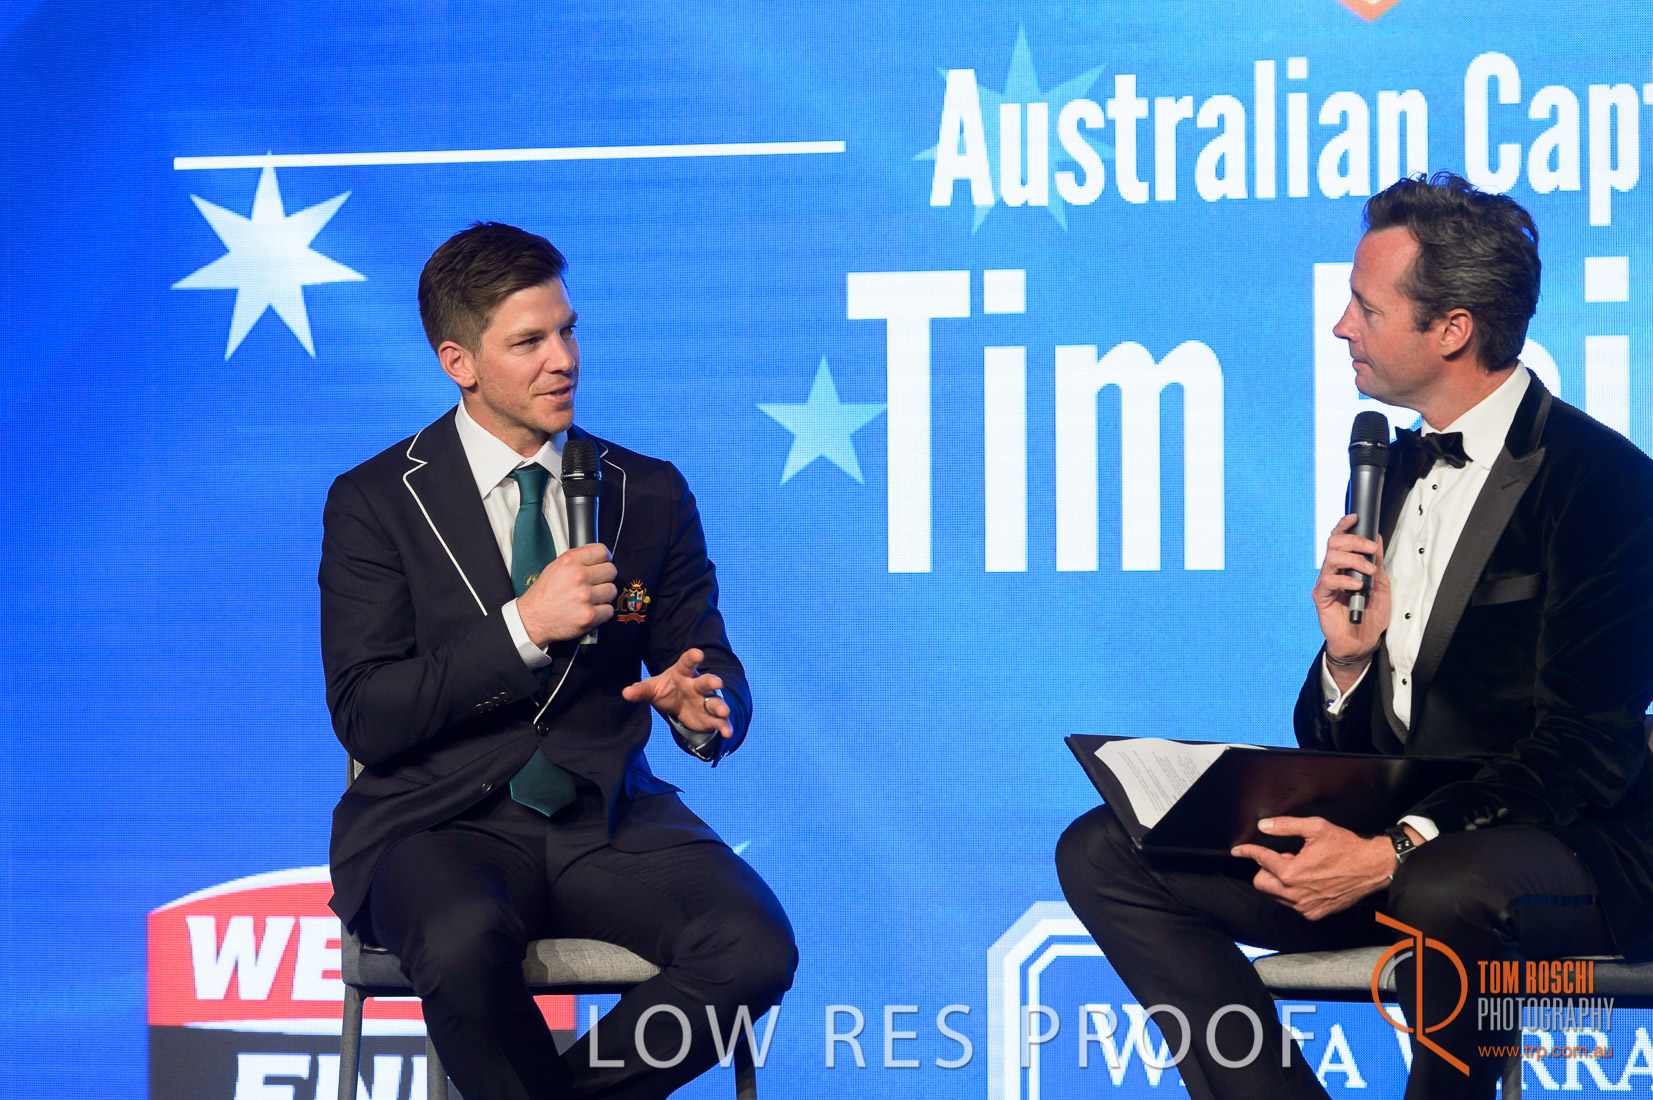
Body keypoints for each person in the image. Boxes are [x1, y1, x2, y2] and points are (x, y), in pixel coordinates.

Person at [1055, 172, 1653, 1099]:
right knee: (1104, 849)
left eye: (1365, 308)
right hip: (1400, 846)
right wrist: (1347, 660)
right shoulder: (1387, 467)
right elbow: (1347, 745)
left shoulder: (1604, 484)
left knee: (1442, 886)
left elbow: (1582, 754)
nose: (1340, 327)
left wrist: (1393, 850)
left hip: (1560, 850)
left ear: (1451, 329)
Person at [319, 222, 796, 1100]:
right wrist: (522, 628)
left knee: (753, 947)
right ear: (459, 362)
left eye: (568, 331)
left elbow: (708, 661)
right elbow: (367, 713)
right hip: (437, 823)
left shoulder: (646, 491)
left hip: (607, 816)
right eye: (529, 341)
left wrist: (704, 707)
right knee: (460, 940)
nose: (563, 360)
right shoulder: (376, 501)